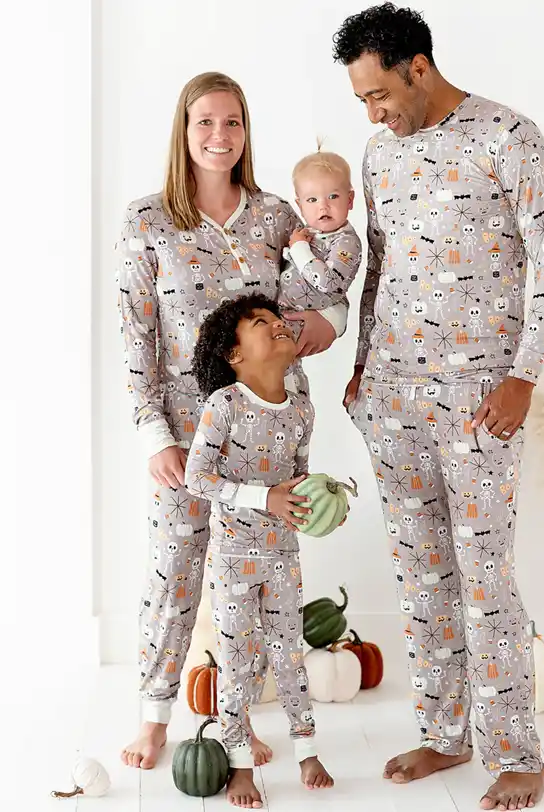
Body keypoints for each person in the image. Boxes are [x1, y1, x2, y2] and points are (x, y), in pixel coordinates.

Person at [333, 4, 544, 810]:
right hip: (392, 400)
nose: (371, 113)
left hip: (480, 403)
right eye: (361, 100)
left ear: (418, 67)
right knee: (420, 577)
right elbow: (383, 269)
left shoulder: (510, 137)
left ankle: (517, 753)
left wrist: (524, 375)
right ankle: (445, 734)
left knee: (484, 579)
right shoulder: (377, 155)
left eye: (377, 94)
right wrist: (363, 365)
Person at [116, 71, 348, 770]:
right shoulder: (148, 220)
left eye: (233, 123)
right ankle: (154, 717)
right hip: (187, 434)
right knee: (175, 569)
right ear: (184, 132)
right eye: (206, 123)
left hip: (268, 430)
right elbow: (135, 334)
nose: (220, 136)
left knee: (254, 582)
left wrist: (327, 326)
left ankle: (238, 725)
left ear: (247, 133)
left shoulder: (280, 215)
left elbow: (327, 292)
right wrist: (154, 434)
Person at [185, 292, 335, 807]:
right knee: (236, 660)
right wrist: (263, 498)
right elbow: (195, 477)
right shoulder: (223, 405)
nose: (275, 325)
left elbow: (298, 478)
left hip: (283, 555)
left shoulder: (302, 411)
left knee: (289, 654)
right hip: (232, 559)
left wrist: (320, 499)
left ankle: (307, 748)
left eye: (277, 318)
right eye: (259, 322)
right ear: (234, 355)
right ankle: (239, 764)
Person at [278, 143, 362, 336]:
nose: (323, 207)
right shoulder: (306, 232)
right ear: (299, 205)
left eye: (333, 196)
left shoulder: (346, 242)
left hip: (303, 321)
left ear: (349, 200)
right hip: (281, 312)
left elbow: (328, 283)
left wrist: (299, 249)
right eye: (312, 200)